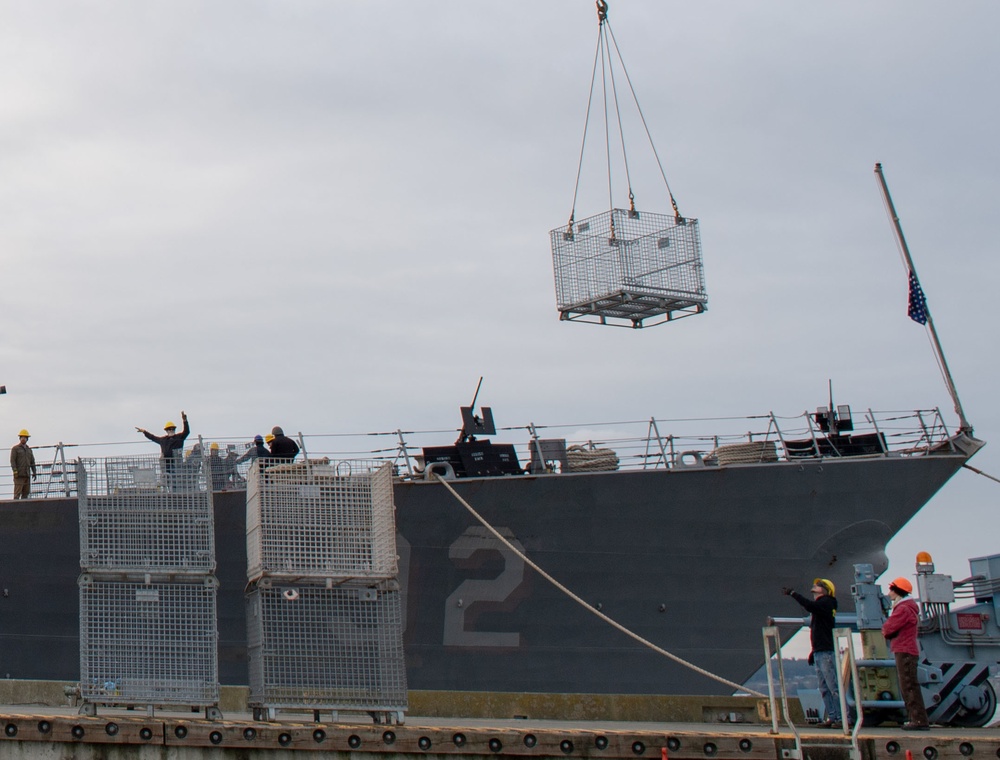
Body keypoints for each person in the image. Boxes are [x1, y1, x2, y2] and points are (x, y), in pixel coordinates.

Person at [782, 578, 841, 727]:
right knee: (824, 688)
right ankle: (833, 717)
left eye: (818, 585)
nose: (814, 586)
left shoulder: (827, 602)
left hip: (826, 652)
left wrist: (793, 594)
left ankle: (841, 718)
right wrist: (813, 651)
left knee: (832, 687)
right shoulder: (822, 607)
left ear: (825, 590)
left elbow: (809, 606)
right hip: (821, 651)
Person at [882, 576, 929, 730]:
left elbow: (888, 628)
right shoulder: (908, 608)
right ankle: (917, 719)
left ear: (898, 591)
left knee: (908, 685)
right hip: (907, 649)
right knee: (909, 685)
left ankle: (919, 721)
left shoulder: (902, 609)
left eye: (891, 590)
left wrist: (887, 632)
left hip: (904, 650)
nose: (889, 594)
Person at [10, 429, 37, 500]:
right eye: (22, 437)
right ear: (20, 438)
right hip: (19, 475)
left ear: (27, 439)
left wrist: (34, 472)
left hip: (27, 475)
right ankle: (15, 509)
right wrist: (15, 471)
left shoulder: (29, 450)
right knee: (17, 494)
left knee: (26, 494)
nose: (23, 439)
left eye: (25, 437)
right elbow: (12, 461)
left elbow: (32, 462)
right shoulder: (15, 449)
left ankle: (24, 510)